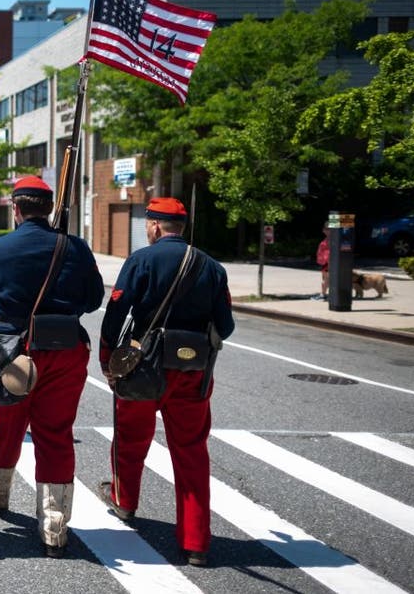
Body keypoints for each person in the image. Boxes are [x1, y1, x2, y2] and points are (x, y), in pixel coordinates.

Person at [0, 176, 104, 558]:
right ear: (50, 210)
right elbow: (93, 299)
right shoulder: (75, 247)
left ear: (16, 209)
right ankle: (54, 522)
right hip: (64, 349)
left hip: (13, 352)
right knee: (56, 432)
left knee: (6, 424)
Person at [97, 197, 235, 568]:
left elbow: (115, 313)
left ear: (156, 226)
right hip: (192, 372)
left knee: (131, 439)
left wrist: (109, 357)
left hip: (145, 365)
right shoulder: (211, 266)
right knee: (190, 452)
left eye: (148, 223)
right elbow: (227, 326)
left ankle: (125, 502)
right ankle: (195, 543)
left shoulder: (142, 259)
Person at [314, 227, 330, 301]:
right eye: (325, 229)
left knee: (326, 279)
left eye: (327, 229)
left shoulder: (330, 240)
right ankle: (324, 294)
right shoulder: (327, 240)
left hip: (327, 262)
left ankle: (323, 295)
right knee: (325, 279)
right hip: (325, 262)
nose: (325, 231)